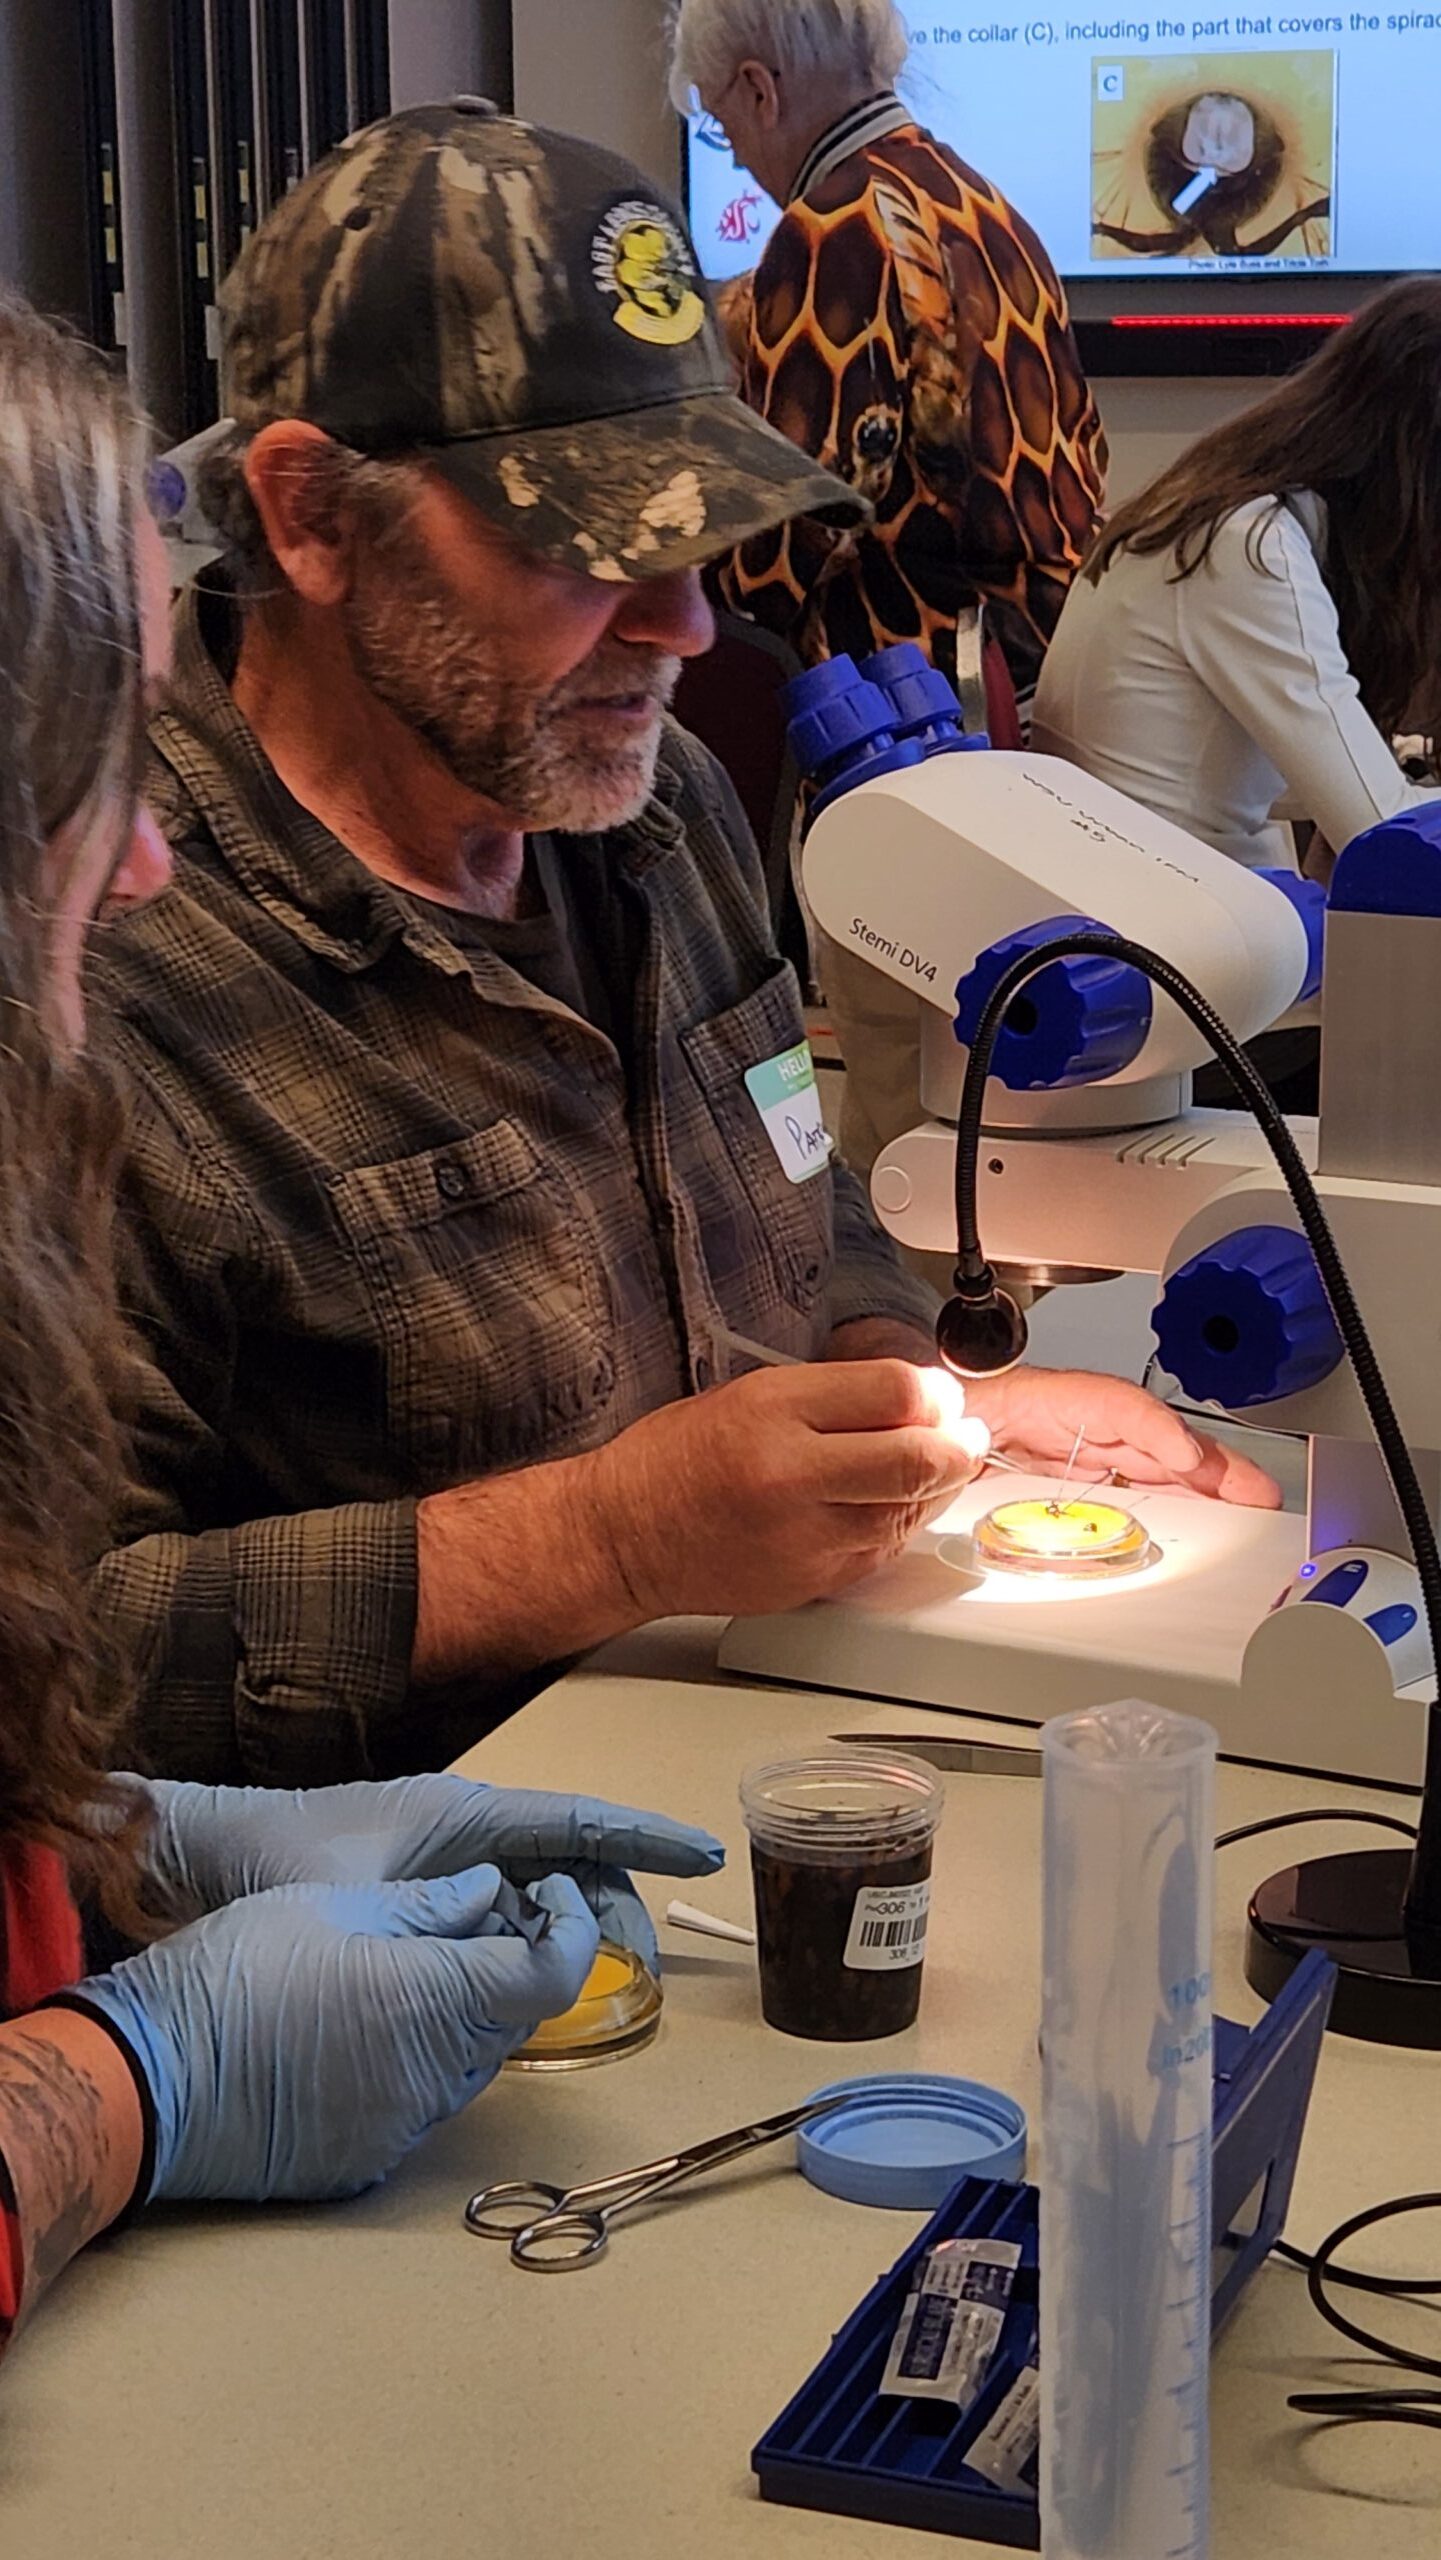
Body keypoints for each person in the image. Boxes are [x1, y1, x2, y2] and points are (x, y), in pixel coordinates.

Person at [91, 104, 1272, 1792]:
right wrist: (610, 1540)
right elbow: (65, 1655)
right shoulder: (100, 958)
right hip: (396, 1937)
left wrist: (898, 1384)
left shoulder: (669, 812)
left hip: (761, 1760)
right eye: (585, 549)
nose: (683, 627)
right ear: (311, 518)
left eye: (692, 539)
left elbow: (791, 1193)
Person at [0, 292, 725, 2363]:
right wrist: (114, 2091)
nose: (142, 863)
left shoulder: (660, 841)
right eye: (86, 769)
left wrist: (135, 1848)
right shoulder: (140, 1043)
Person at [667, 0, 1108, 1177]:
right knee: (973, 1077)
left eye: (721, 122)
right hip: (1010, 690)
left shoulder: (834, 227)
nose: (739, 154)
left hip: (891, 716)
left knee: (892, 1086)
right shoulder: (988, 206)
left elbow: (788, 528)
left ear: (760, 90)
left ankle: (900, 1352)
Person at [1033, 278, 1441, 1111]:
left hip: (1185, 955)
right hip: (1195, 1001)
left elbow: (1254, 769)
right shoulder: (1246, 545)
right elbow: (1386, 843)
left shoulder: (1223, 512)